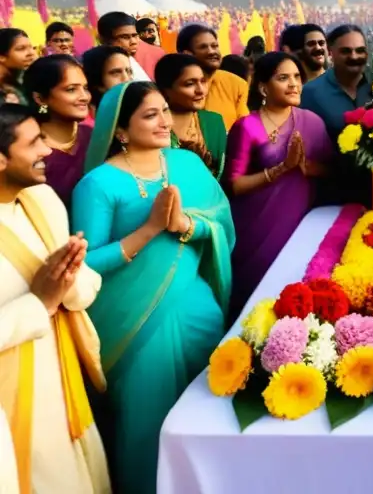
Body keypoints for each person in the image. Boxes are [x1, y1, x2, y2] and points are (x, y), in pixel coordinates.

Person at [72, 82, 233, 494]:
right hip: (134, 324)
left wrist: (187, 226)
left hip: (197, 307)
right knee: (149, 423)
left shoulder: (186, 164)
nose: (165, 120)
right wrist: (148, 230)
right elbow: (84, 263)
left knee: (211, 413)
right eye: (150, 114)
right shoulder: (99, 184)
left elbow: (222, 225)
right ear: (120, 130)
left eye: (165, 110)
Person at [0, 104, 110, 494]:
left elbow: (79, 289)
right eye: (34, 143)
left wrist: (71, 273)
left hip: (60, 370)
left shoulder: (43, 199)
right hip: (11, 390)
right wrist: (39, 302)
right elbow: (45, 299)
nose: (47, 151)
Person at [225, 53, 330, 316]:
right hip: (256, 226)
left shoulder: (312, 122)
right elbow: (235, 185)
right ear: (263, 87)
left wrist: (305, 165)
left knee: (296, 292)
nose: (294, 84)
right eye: (283, 78)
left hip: (300, 222)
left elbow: (333, 171)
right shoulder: (247, 126)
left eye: (296, 77)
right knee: (258, 300)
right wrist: (281, 169)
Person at [23, 55, 93, 208]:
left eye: (85, 88)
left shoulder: (94, 137)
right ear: (41, 99)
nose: (84, 97)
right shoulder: (30, 152)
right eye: (71, 89)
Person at [154, 54, 227, 179]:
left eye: (203, 82)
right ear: (165, 90)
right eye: (189, 84)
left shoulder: (214, 122)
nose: (201, 90)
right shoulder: (155, 126)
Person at [301, 24, 372, 140]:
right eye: (345, 51)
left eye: (360, 51)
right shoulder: (310, 93)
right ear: (330, 53)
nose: (354, 57)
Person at [176, 24, 248, 131]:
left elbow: (244, 129)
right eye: (203, 47)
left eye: (215, 46)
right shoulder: (173, 87)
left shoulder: (237, 84)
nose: (212, 51)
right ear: (187, 54)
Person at [81, 47, 133, 121]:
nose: (127, 79)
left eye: (129, 71)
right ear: (96, 80)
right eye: (115, 73)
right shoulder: (84, 125)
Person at [97, 13, 152, 82]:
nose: (133, 42)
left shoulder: (129, 59)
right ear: (103, 39)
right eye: (125, 37)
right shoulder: (98, 67)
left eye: (135, 35)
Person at [0, 29, 34, 104]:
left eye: (32, 47)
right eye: (21, 49)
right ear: (1, 56)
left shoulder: (27, 80)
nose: (31, 53)